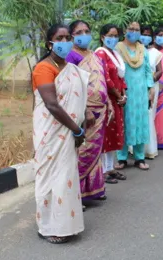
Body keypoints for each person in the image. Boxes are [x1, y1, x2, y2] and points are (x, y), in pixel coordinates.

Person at [32, 24, 87, 244]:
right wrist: (77, 129)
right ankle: (47, 226)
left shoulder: (71, 68)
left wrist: (82, 121)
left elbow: (77, 97)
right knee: (49, 177)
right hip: (51, 131)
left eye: (67, 37)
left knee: (65, 177)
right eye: (59, 38)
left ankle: (65, 224)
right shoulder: (43, 68)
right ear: (50, 44)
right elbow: (52, 105)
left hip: (69, 129)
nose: (65, 41)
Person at [66, 20, 110, 201]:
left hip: (101, 108)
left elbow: (103, 81)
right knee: (83, 151)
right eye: (79, 32)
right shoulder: (71, 57)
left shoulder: (94, 55)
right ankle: (77, 194)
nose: (84, 35)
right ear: (72, 36)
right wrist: (85, 110)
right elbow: (72, 87)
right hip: (85, 110)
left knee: (96, 150)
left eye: (86, 31)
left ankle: (94, 189)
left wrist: (109, 104)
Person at [115, 21, 155, 171]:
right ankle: (122, 158)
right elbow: (115, 70)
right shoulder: (118, 48)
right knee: (124, 122)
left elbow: (147, 70)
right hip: (125, 91)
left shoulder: (142, 49)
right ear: (125, 30)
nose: (134, 31)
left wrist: (150, 88)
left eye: (137, 29)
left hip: (141, 92)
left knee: (140, 122)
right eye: (131, 28)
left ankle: (139, 157)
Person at [94, 24, 128, 184]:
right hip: (106, 100)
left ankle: (110, 167)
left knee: (114, 134)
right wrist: (117, 94)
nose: (113, 38)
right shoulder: (101, 53)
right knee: (106, 134)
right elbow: (105, 78)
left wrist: (124, 94)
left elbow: (121, 77)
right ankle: (103, 170)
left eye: (116, 35)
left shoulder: (115, 53)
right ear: (102, 37)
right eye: (110, 35)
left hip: (117, 100)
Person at [140, 25, 163, 159]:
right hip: (136, 87)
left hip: (152, 87)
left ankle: (149, 149)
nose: (146, 36)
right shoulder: (134, 51)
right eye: (143, 33)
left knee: (149, 116)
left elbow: (160, 71)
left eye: (148, 34)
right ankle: (136, 149)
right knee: (138, 116)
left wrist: (150, 79)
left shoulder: (156, 53)